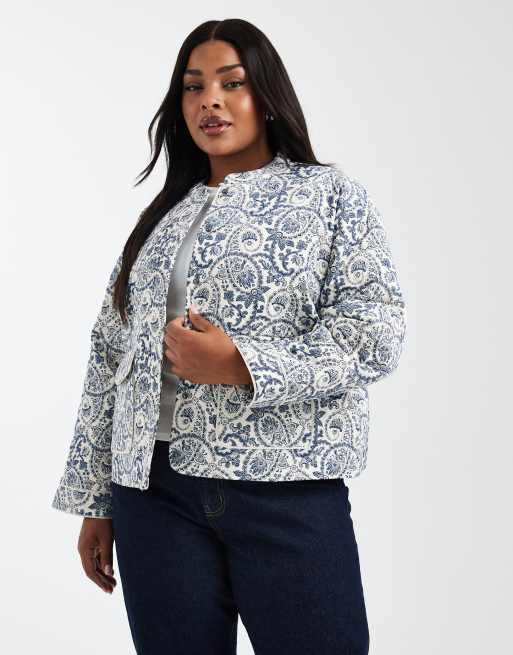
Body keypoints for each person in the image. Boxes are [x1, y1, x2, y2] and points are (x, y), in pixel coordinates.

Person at [51, 18, 407, 655]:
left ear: (266, 96)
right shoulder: (163, 217)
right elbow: (109, 357)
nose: (209, 101)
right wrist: (96, 499)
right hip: (153, 496)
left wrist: (241, 364)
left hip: (287, 487)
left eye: (231, 83)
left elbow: (375, 334)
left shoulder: (331, 198)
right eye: (193, 87)